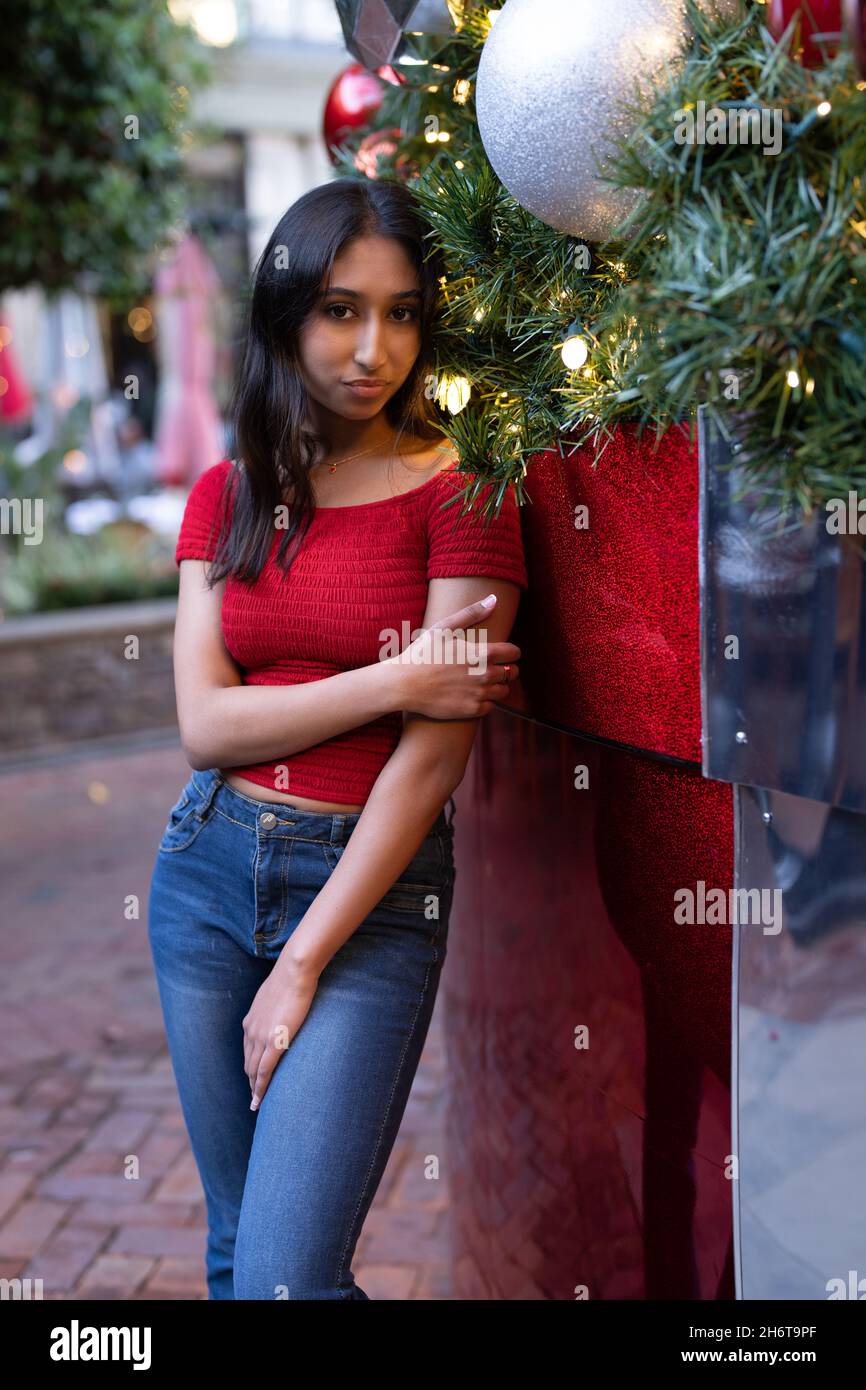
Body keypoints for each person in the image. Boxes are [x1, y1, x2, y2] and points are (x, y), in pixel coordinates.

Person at [147, 177, 528, 1300]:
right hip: (205, 874)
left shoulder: (462, 489)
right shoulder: (227, 494)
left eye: (402, 311)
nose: (374, 347)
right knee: (233, 1247)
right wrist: (401, 675)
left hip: (372, 893)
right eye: (339, 309)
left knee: (283, 1274)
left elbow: (431, 757)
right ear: (285, 314)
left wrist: (304, 959)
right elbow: (202, 724)